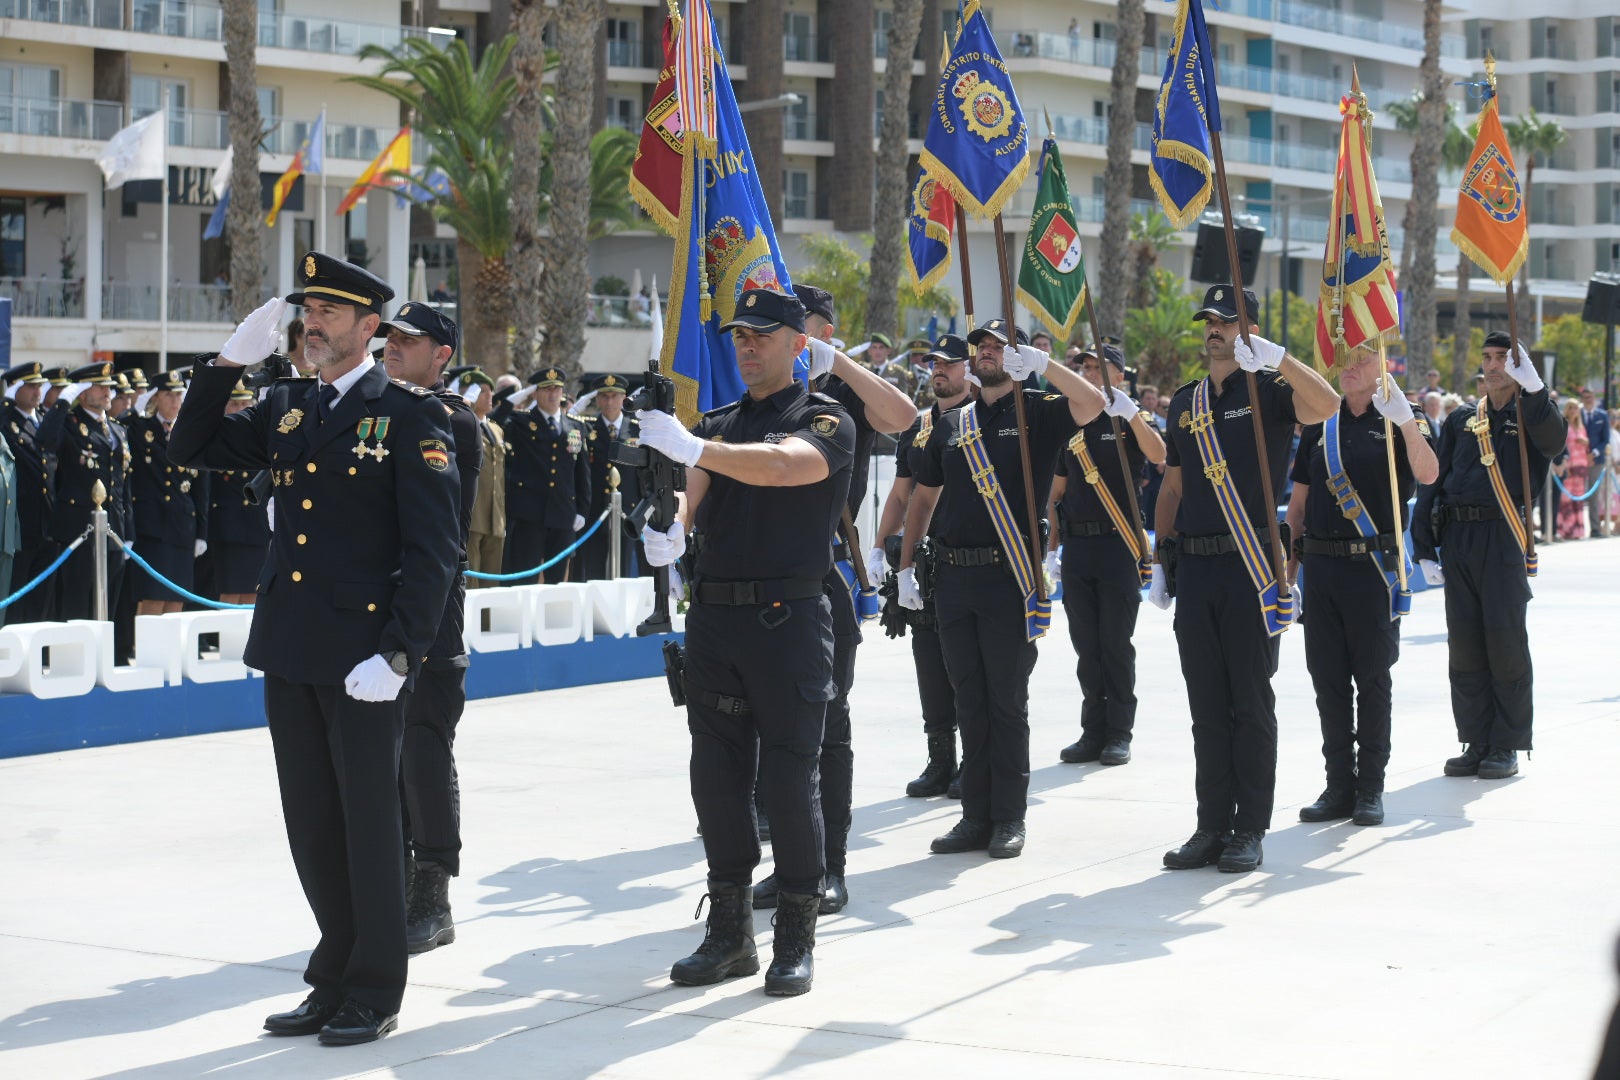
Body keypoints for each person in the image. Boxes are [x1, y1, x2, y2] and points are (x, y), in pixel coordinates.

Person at [168, 253, 461, 1046]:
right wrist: (227, 364)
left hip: (364, 657)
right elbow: (187, 447)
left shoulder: (408, 416)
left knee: (370, 823)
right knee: (312, 823)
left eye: (330, 311)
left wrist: (400, 655)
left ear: (370, 328)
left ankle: (374, 985)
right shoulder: (286, 408)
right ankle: (333, 971)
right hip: (292, 645)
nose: (311, 322)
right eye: (307, 310)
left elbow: (435, 554)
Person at [635, 288, 852, 996]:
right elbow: (691, 491)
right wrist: (666, 523)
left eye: (763, 335)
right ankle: (728, 934)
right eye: (740, 336)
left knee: (789, 781)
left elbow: (785, 465)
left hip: (788, 623)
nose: (747, 345)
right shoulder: (720, 422)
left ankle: (796, 933)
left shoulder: (824, 418)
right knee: (717, 782)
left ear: (798, 344)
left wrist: (697, 448)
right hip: (718, 624)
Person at [897, 318, 1110, 858]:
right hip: (953, 577)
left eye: (999, 347)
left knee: (1006, 702)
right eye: (981, 348)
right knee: (968, 699)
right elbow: (922, 498)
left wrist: (1044, 367)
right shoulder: (952, 423)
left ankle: (1008, 817)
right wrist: (902, 567)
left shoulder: (1036, 411)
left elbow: (1094, 406)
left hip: (1007, 576)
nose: (988, 354)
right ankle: (974, 814)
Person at [1150, 286, 1339, 874]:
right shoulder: (1186, 402)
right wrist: (1160, 557)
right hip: (1198, 568)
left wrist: (1278, 357)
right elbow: (1174, 486)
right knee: (1206, 703)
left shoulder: (1272, 391)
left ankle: (1249, 828)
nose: (1215, 330)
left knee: (1250, 702)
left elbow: (1327, 406)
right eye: (1209, 320)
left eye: (1227, 321)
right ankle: (1211, 825)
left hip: (1251, 566)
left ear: (1248, 328)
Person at [748, 283, 914, 917]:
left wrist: (839, 364)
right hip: (756, 573)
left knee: (827, 731)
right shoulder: (756, 394)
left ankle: (829, 867)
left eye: (805, 329)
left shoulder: (838, 393)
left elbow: (903, 418)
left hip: (821, 572)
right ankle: (788, 863)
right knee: (769, 736)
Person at [1285, 345, 1438, 827]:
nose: (1349, 367)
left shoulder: (1399, 416)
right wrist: (1287, 580)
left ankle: (1370, 786)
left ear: (1383, 366)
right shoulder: (1319, 423)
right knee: (1327, 681)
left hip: (1373, 569)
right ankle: (1338, 785)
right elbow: (1297, 509)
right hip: (1323, 570)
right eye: (1344, 359)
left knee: (1371, 680)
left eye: (1362, 359)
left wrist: (1407, 423)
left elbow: (1429, 473)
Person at [1413, 331, 1566, 782]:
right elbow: (1433, 483)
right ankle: (1475, 739)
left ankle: (1506, 743)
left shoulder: (1532, 415)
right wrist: (1423, 547)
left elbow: (1555, 443)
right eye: (1488, 356)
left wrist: (1535, 390)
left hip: (1502, 537)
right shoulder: (1464, 417)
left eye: (1504, 358)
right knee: (1464, 644)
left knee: (1504, 642)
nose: (1494, 364)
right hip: (1459, 535)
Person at [379, 300, 480, 956]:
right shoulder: (375, 409)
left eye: (409, 341)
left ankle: (432, 890)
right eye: (389, 335)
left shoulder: (451, 419)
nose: (393, 346)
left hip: (432, 609)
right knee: (376, 755)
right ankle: (388, 880)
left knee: (422, 749)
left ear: (440, 355)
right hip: (372, 609)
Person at [1046, 343, 1164, 768]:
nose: (1092, 372)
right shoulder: (1071, 422)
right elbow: (1056, 494)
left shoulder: (1128, 418)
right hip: (1078, 546)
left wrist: (1131, 412)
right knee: (1086, 645)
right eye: (1086, 366)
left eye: (1101, 367)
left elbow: (1160, 456)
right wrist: (1052, 550)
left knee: (1115, 642)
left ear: (1119, 374)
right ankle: (1091, 730)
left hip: (1118, 545)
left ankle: (1119, 731)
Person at [875, 334, 974, 798]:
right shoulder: (916, 426)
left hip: (969, 557)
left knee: (967, 668)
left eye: (950, 364)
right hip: (924, 562)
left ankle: (975, 760)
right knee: (929, 663)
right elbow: (900, 494)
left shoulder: (978, 422)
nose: (939, 370)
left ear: (969, 371)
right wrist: (881, 550)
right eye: (935, 363)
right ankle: (940, 760)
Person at [36, 362, 132, 622]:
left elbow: (123, 487)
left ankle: (101, 659)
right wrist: (62, 403)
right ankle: (75, 658)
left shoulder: (117, 430)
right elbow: (44, 441)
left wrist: (127, 534)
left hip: (113, 529)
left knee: (108, 603)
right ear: (82, 393)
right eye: (98, 387)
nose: (107, 392)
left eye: (108, 387)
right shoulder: (68, 424)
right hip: (78, 529)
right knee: (77, 602)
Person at [126, 369, 209, 616]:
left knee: (176, 600)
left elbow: (202, 485)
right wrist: (135, 409)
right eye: (168, 395)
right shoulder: (139, 428)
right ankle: (147, 653)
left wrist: (202, 532)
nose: (175, 401)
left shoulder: (188, 430)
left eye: (178, 395)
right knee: (153, 597)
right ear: (155, 398)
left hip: (182, 525)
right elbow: (119, 427)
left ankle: (169, 655)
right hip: (152, 528)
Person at [496, 367, 590, 584]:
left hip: (563, 514)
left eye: (557, 389)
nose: (552, 394)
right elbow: (494, 423)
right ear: (535, 393)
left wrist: (582, 511)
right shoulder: (520, 422)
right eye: (546, 389)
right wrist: (512, 400)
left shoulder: (575, 427)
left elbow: (581, 473)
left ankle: (553, 620)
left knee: (557, 581)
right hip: (529, 515)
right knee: (524, 577)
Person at [203, 384, 271, 606]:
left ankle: (244, 640)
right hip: (227, 527)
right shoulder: (217, 437)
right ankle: (226, 641)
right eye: (235, 404)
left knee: (254, 590)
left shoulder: (260, 436)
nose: (241, 408)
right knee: (230, 591)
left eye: (245, 403)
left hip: (256, 524)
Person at [1, 363, 57, 623]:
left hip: (47, 522)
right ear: (14, 389)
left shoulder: (45, 421)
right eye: (31, 386)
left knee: (41, 596)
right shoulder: (6, 422)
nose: (37, 391)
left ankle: (37, 653)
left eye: (39, 386)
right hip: (20, 523)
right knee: (16, 592)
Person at [579, 374, 643, 580]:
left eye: (614, 396)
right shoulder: (586, 428)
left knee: (625, 568)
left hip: (629, 508)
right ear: (597, 399)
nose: (609, 402)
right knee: (594, 567)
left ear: (623, 398)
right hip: (596, 509)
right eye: (604, 396)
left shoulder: (637, 429)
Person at [1555, 397, 1590, 540]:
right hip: (1569, 464)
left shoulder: (1581, 427)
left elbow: (1587, 444)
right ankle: (1566, 530)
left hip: (1581, 465)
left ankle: (1578, 530)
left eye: (1576, 408)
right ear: (1567, 409)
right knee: (1567, 499)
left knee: (1578, 498)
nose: (1573, 411)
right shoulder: (1564, 425)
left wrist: (1585, 441)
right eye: (1571, 407)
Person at [1580, 388, 1608, 537]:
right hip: (1578, 460)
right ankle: (1575, 529)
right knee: (1576, 493)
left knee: (1593, 496)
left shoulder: (1602, 416)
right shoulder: (1576, 414)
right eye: (1585, 397)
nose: (1588, 400)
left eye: (1590, 397)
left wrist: (1594, 453)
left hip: (1596, 461)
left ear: (1594, 398)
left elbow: (1606, 440)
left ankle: (1595, 528)